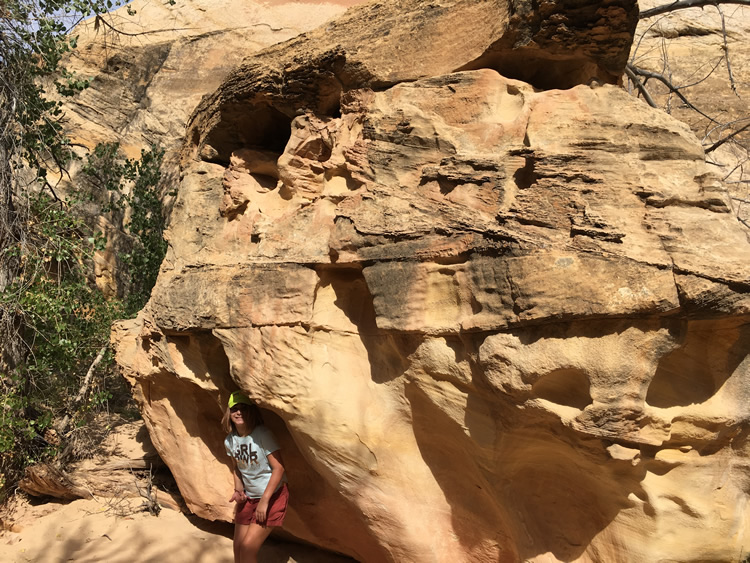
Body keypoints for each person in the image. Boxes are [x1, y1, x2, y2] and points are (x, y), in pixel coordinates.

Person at [222, 391, 288, 563]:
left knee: (247, 548)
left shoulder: (262, 434)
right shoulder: (230, 441)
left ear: (251, 411)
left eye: (243, 408)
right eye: (235, 408)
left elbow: (279, 468)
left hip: (272, 495)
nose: (239, 412)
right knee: (238, 549)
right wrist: (238, 489)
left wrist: (264, 501)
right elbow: (237, 467)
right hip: (249, 498)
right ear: (229, 413)